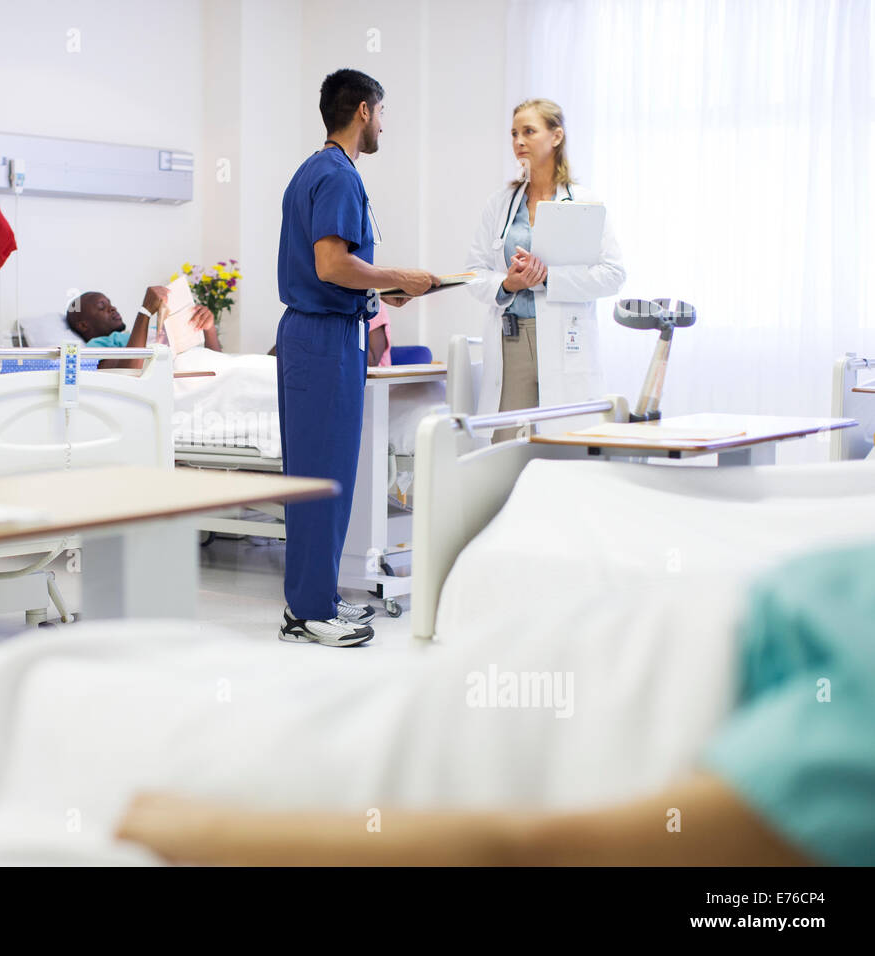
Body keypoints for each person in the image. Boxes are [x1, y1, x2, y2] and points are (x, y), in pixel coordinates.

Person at [116, 542, 875, 866]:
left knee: (106, 709)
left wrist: (206, 830)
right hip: (555, 670)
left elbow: (533, 850)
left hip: (557, 718)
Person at [274, 68, 439, 647]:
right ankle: (306, 611)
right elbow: (329, 265)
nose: (383, 128)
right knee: (320, 476)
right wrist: (401, 275)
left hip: (327, 329)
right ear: (365, 110)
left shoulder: (317, 171)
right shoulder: (338, 175)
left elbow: (341, 269)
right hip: (322, 337)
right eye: (383, 114)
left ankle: (317, 599)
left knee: (329, 475)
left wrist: (379, 290)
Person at [464, 98, 625, 441]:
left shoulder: (584, 202)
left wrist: (549, 277)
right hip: (511, 340)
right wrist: (507, 283)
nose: (518, 141)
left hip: (565, 338)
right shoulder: (500, 204)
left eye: (528, 131)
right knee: (505, 448)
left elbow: (613, 274)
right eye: (513, 133)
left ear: (556, 137)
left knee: (565, 445)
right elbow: (474, 271)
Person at [66, 286, 220, 370]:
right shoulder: (97, 346)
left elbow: (216, 362)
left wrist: (208, 328)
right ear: (84, 325)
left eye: (110, 303)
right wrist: (145, 312)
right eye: (102, 307)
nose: (112, 308)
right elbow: (129, 371)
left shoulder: (151, 330)